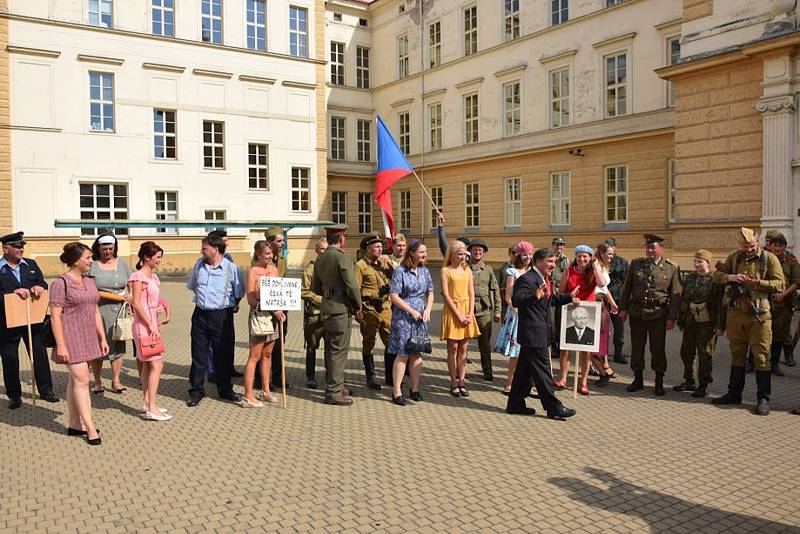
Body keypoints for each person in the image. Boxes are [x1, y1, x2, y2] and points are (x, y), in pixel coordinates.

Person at [712, 227, 785, 415]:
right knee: (737, 354)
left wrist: (757, 283)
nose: (749, 249)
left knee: (761, 357)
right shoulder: (734, 257)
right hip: (736, 314)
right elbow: (716, 276)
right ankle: (734, 393)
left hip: (759, 316)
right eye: (745, 246)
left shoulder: (769, 259)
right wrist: (731, 277)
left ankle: (763, 398)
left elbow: (780, 284)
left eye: (752, 246)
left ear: (757, 242)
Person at [506, 248, 578, 419]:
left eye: (554, 261)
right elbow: (516, 300)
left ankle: (515, 403)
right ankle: (553, 407)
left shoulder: (542, 278)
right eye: (550, 261)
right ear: (538, 261)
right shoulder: (527, 279)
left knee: (524, 371)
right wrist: (534, 296)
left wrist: (569, 297)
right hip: (533, 334)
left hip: (538, 332)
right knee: (544, 371)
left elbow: (549, 300)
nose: (553, 265)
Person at [49, 242, 109, 445]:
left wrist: (102, 337)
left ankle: (74, 424)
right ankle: (90, 428)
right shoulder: (60, 283)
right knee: (83, 381)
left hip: (88, 337)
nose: (92, 260)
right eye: (88, 258)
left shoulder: (90, 282)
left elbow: (95, 311)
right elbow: (55, 317)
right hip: (70, 338)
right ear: (76, 261)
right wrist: (61, 345)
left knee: (75, 381)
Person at [0, 231, 59, 408]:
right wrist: (10, 294)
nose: (21, 249)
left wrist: (39, 287)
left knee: (39, 355)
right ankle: (14, 396)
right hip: (7, 322)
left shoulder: (31, 264)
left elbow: (43, 283)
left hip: (32, 320)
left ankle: (46, 390)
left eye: (22, 246)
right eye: (17, 246)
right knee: (10, 358)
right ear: (5, 248)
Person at [618, 234, 682, 396]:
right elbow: (627, 288)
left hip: (658, 314)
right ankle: (637, 379)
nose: (650, 250)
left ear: (661, 249)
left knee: (657, 348)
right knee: (637, 347)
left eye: (653, 247)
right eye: (648, 247)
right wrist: (623, 308)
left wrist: (672, 317)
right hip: (637, 313)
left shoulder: (671, 268)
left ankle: (659, 381)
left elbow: (676, 295)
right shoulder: (636, 264)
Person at [186, 234, 244, 407]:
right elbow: (193, 287)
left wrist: (231, 305)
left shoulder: (231, 268)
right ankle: (196, 391)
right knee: (198, 355)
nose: (201, 251)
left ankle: (225, 389)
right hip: (200, 315)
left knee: (223, 355)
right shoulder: (198, 266)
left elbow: (239, 292)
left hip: (222, 316)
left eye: (204, 248)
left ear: (215, 249)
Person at [312, 224, 363, 406]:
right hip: (340, 309)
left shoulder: (321, 258)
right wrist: (358, 305)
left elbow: (316, 288)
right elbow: (351, 285)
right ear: (342, 239)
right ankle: (333, 392)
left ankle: (337, 385)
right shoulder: (343, 257)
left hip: (326, 308)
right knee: (338, 351)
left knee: (330, 350)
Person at [388, 240, 434, 405]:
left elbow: (430, 292)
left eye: (425, 252)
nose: (424, 255)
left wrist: (428, 309)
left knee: (417, 353)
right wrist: (411, 311)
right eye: (422, 252)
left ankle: (414, 389)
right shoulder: (400, 271)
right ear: (412, 253)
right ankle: (397, 391)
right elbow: (394, 296)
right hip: (404, 317)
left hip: (421, 318)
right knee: (403, 353)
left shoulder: (425, 271)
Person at [129, 241, 171, 421]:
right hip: (143, 326)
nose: (160, 261)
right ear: (146, 257)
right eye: (158, 257)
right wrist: (150, 324)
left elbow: (152, 300)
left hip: (153, 323)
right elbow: (136, 303)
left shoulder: (154, 277)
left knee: (148, 364)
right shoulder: (138, 277)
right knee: (157, 364)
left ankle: (147, 403)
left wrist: (158, 309)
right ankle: (152, 406)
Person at [556, 244, 606, 396]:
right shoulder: (568, 271)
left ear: (590, 258)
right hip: (571, 311)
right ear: (575, 257)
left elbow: (602, 284)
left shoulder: (593, 272)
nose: (582, 259)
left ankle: (583, 382)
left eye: (585, 256)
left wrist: (595, 266)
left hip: (589, 314)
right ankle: (563, 379)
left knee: (586, 350)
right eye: (579, 256)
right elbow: (561, 292)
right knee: (566, 348)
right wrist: (571, 297)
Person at [673, 249, 723, 398]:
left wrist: (720, 325)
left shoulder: (715, 279)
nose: (696, 264)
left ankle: (704, 384)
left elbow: (721, 304)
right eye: (695, 261)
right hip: (690, 321)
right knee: (686, 352)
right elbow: (684, 300)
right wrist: (681, 319)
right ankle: (689, 380)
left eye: (700, 261)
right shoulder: (690, 278)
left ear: (708, 262)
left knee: (705, 354)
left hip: (707, 323)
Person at [88, 233, 133, 395]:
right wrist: (117, 297)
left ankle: (116, 380)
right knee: (98, 346)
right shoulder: (92, 265)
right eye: (104, 249)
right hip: (99, 311)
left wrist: (132, 299)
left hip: (120, 312)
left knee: (118, 345)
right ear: (98, 248)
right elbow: (91, 290)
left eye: (111, 248)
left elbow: (131, 282)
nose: (108, 251)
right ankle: (98, 381)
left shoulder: (122, 263)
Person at [241, 240, 284, 407]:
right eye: (267, 254)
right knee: (255, 356)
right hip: (259, 315)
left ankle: (266, 390)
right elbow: (251, 300)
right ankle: (248, 394)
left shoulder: (273, 269)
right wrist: (262, 296)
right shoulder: (253, 271)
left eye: (271, 253)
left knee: (268, 354)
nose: (270, 256)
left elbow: (278, 293)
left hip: (274, 316)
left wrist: (280, 307)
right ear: (258, 254)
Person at [441, 241, 481, 397]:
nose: (463, 257)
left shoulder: (468, 271)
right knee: (453, 348)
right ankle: (453, 382)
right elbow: (445, 294)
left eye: (464, 254)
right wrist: (458, 314)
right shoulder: (445, 270)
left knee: (464, 348)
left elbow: (472, 293)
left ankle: (462, 381)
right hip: (453, 311)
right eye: (460, 254)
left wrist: (470, 313)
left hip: (466, 310)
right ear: (452, 255)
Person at [355, 234, 394, 391]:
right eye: (376, 247)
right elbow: (355, 289)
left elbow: (396, 277)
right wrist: (357, 309)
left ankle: (390, 376)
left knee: (391, 341)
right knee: (369, 342)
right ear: (367, 249)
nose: (380, 249)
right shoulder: (360, 266)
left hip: (385, 307)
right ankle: (370, 377)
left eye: (381, 246)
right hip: (369, 308)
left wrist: (390, 263)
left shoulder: (384, 264)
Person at [495, 241, 533, 394]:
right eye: (525, 254)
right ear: (518, 255)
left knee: (530, 351)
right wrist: (515, 309)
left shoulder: (533, 271)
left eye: (530, 254)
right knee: (516, 352)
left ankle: (527, 384)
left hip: (531, 315)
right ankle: (509, 383)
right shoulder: (512, 272)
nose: (528, 257)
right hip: (517, 315)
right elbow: (508, 296)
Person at [205, 229, 243, 380]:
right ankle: (213, 371)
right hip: (213, 308)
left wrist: (236, 301)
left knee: (228, 338)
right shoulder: (206, 261)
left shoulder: (228, 258)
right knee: (212, 343)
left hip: (228, 306)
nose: (228, 243)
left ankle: (229, 367)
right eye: (225, 241)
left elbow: (233, 281)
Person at [764, 232, 800, 374]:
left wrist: (783, 294)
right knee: (759, 332)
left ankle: (774, 363)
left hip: (784, 303)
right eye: (775, 245)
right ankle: (752, 361)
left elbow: (797, 281)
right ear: (770, 246)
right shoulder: (763, 258)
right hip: (764, 301)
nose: (777, 248)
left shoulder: (791, 260)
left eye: (780, 246)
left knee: (780, 334)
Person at [467, 238, 502, 381]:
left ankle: (487, 370)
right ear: (470, 251)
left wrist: (498, 311)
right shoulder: (463, 268)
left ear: (484, 253)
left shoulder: (488, 270)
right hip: (466, 310)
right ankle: (459, 371)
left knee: (485, 345)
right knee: (462, 344)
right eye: (474, 249)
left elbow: (496, 290)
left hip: (484, 312)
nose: (477, 252)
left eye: (480, 250)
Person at [263, 227, 287, 390]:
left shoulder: (283, 260)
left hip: (282, 306)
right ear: (270, 243)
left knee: (280, 342)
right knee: (264, 344)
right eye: (279, 241)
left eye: (283, 240)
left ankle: (278, 377)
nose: (282, 243)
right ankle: (262, 379)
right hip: (265, 309)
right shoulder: (259, 261)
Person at [301, 238, 327, 388]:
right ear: (317, 251)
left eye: (326, 249)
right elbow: (304, 291)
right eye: (321, 249)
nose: (324, 252)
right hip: (314, 314)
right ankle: (310, 377)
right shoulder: (310, 269)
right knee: (312, 346)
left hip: (330, 314)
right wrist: (321, 300)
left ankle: (330, 376)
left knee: (330, 347)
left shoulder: (332, 267)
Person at [592, 241, 619, 387]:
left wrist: (612, 301)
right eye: (609, 254)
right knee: (593, 342)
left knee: (603, 338)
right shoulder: (595, 265)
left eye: (612, 254)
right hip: (594, 304)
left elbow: (605, 288)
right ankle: (603, 372)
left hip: (603, 305)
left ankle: (604, 369)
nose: (611, 256)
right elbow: (601, 283)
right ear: (601, 253)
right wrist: (595, 264)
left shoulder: (603, 266)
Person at [606, 237, 629, 364]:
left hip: (618, 300)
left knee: (619, 328)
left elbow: (627, 283)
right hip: (603, 301)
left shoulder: (623, 262)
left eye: (611, 246)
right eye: (607, 246)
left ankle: (618, 353)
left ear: (615, 247)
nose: (610, 249)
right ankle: (600, 353)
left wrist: (626, 305)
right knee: (602, 329)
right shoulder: (600, 261)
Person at [550, 236, 569, 357]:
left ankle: (561, 344)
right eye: (557, 245)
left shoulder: (566, 260)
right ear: (553, 245)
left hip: (561, 291)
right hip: (551, 290)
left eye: (561, 245)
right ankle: (553, 345)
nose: (559, 247)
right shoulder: (550, 258)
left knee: (560, 319)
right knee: (551, 320)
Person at [498, 246, 516, 320]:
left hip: (518, 300)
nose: (515, 255)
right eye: (513, 253)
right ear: (509, 254)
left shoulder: (523, 267)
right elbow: (499, 285)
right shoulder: (503, 268)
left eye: (517, 253)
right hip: (505, 302)